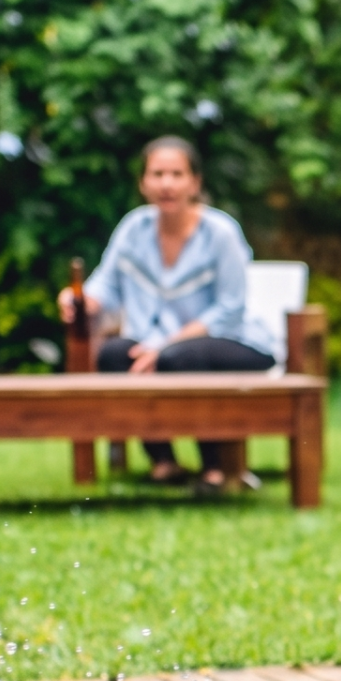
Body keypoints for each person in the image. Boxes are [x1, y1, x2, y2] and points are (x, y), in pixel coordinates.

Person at [59, 135, 278, 493]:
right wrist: (78, 299)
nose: (167, 184)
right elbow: (105, 287)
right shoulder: (133, 229)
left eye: (176, 174)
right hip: (156, 346)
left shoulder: (220, 233)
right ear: (143, 183)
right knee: (114, 353)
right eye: (157, 174)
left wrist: (162, 347)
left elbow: (229, 309)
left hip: (230, 343)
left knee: (181, 356)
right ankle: (164, 460)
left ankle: (215, 468)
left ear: (195, 182)